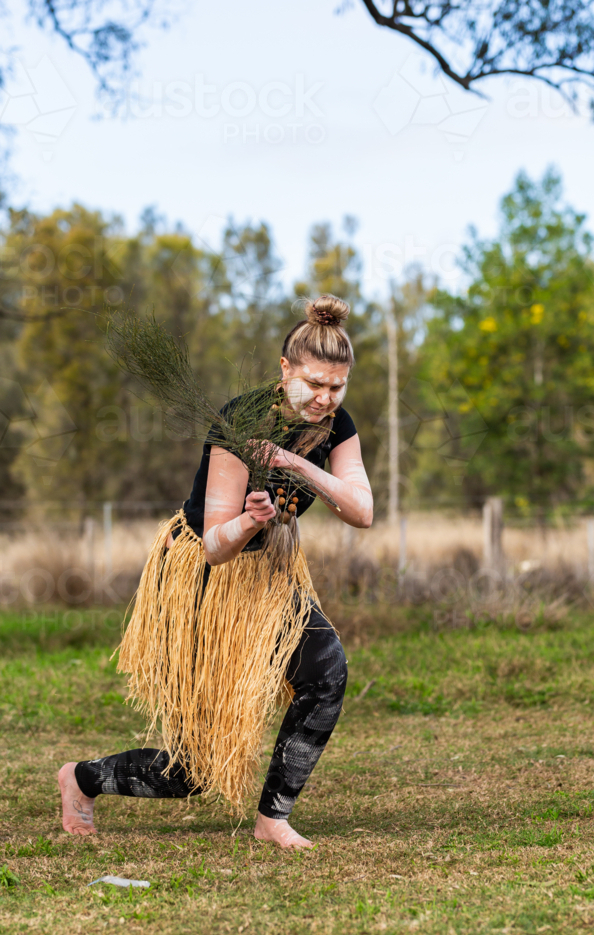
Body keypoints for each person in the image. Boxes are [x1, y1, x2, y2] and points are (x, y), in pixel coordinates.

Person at [58, 294, 373, 849]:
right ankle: (82, 778)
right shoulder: (240, 421)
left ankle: (273, 818)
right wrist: (251, 523)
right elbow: (214, 547)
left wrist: (297, 464)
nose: (325, 398)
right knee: (192, 772)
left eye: (337, 387)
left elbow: (362, 510)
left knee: (326, 670)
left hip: (272, 577)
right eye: (314, 384)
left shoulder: (336, 427)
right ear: (285, 370)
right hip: (206, 585)